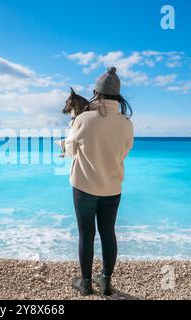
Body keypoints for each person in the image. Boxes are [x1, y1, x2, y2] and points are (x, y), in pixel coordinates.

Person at [63, 67, 134, 296]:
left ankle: (85, 284)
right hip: (112, 188)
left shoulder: (83, 120)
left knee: (86, 234)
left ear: (96, 92)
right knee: (108, 232)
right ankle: (105, 282)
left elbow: (71, 150)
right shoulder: (126, 124)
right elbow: (123, 152)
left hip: (84, 188)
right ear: (118, 96)